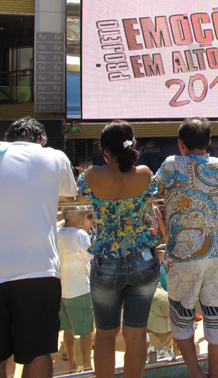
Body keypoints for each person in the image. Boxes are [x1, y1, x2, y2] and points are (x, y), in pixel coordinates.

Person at [78, 120, 161, 378]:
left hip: (106, 262)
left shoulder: (91, 176)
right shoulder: (146, 174)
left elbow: (80, 194)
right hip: (143, 260)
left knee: (105, 334)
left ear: (104, 150)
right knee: (136, 334)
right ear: (131, 145)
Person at [0, 117, 79, 378]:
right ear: (41, 140)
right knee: (38, 354)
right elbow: (70, 195)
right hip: (39, 270)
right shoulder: (55, 157)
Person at [156, 118, 218, 378]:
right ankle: (214, 376)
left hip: (183, 255)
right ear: (209, 142)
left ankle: (195, 373)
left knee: (181, 318)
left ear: (181, 143)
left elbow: (159, 190)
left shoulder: (169, 165)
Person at [57, 208, 95, 372]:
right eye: (82, 214)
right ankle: (87, 366)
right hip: (80, 289)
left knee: (68, 329)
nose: (84, 218)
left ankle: (72, 364)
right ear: (73, 216)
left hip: (62, 289)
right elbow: (92, 255)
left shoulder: (58, 232)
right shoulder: (80, 235)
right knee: (87, 331)